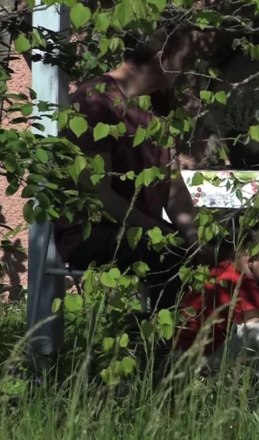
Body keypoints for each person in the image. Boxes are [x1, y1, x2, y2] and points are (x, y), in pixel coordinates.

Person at [54, 29, 203, 310]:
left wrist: (196, 238)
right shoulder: (94, 101)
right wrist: (164, 233)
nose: (184, 71)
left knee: (221, 248)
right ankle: (157, 349)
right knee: (170, 254)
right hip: (91, 232)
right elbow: (100, 197)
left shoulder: (156, 108)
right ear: (160, 58)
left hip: (141, 228)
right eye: (181, 61)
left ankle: (238, 340)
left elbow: (173, 187)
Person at [175, 229, 259, 370]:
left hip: (180, 355)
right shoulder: (244, 283)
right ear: (251, 261)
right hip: (206, 358)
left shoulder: (214, 272)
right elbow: (253, 331)